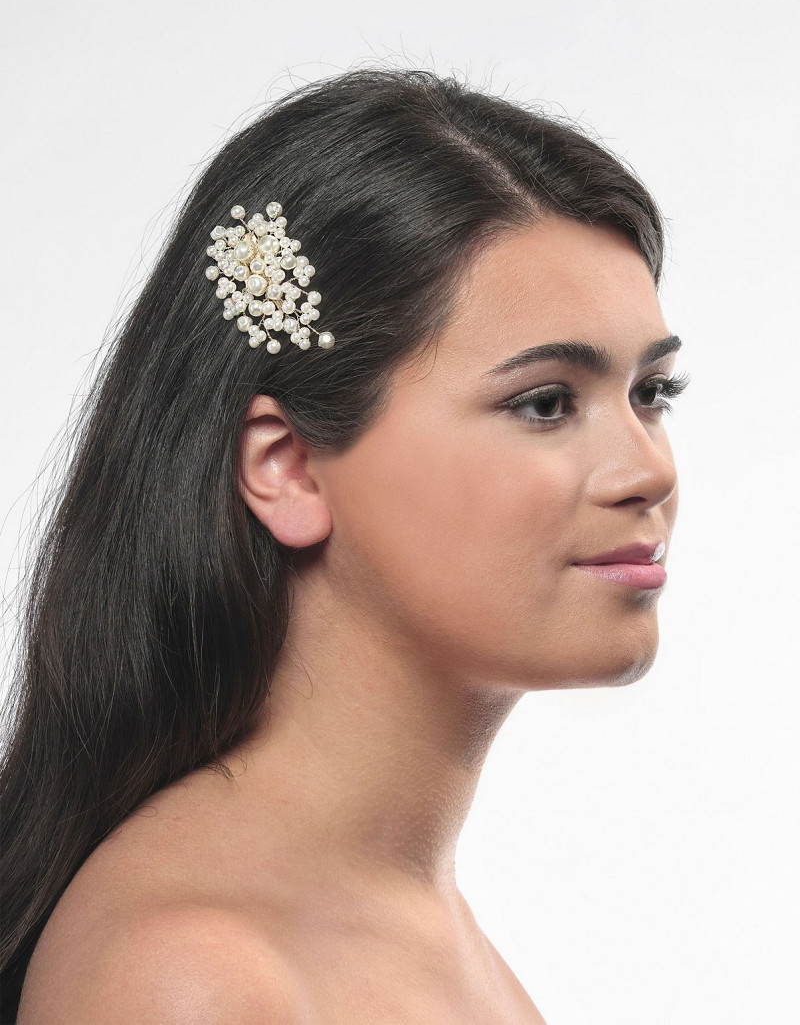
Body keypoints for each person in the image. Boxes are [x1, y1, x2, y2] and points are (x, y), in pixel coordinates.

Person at [1, 66, 688, 1023]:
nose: (648, 468)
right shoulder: (192, 978)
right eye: (544, 403)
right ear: (287, 466)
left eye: (652, 394)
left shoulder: (409, 922)